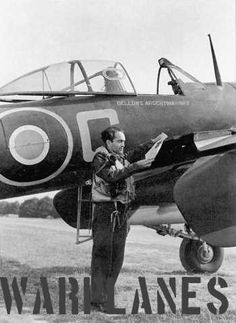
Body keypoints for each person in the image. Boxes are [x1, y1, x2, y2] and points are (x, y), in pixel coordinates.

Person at [90, 126, 159, 313]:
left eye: (124, 141)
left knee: (116, 258)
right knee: (103, 257)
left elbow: (134, 152)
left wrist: (154, 142)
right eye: (119, 141)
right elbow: (111, 177)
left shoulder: (120, 157)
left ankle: (103, 300)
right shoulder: (100, 158)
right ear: (109, 143)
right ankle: (100, 302)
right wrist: (137, 166)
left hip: (120, 212)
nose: (123, 145)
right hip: (106, 212)